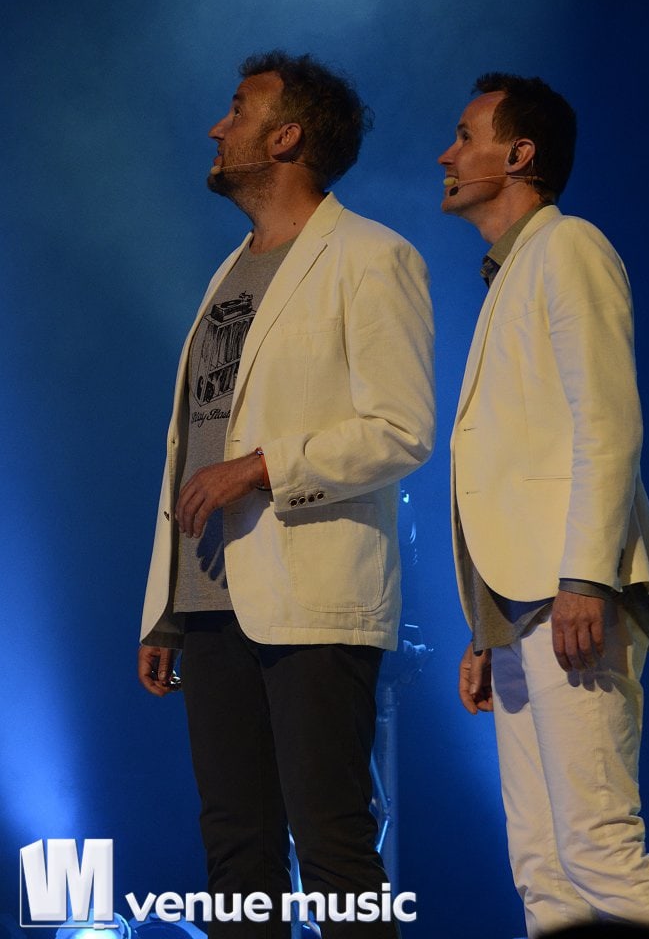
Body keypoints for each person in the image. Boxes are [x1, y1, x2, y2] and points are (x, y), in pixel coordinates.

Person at [137, 50, 435, 939]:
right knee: (235, 850)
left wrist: (262, 466)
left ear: (286, 137)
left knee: (333, 842)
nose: (216, 127)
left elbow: (401, 428)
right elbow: (192, 444)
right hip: (209, 597)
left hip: (310, 594)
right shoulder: (228, 272)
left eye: (237, 110)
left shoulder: (371, 256)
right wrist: (164, 608)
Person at [438, 72, 649, 937]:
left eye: (464, 135)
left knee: (597, 848)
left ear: (518, 155)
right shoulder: (511, 270)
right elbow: (520, 458)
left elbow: (606, 423)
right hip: (522, 605)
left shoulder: (568, 245)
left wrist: (585, 576)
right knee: (542, 867)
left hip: (570, 593)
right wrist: (486, 626)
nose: (445, 154)